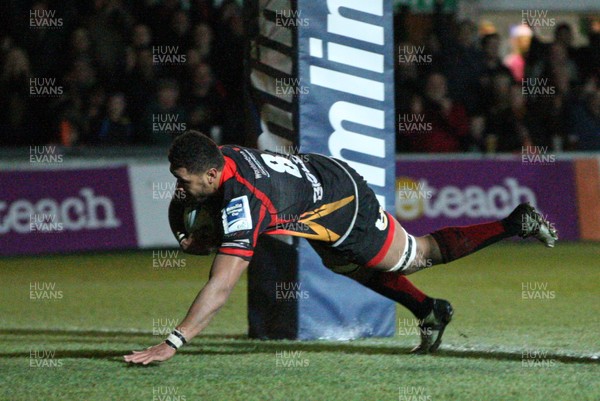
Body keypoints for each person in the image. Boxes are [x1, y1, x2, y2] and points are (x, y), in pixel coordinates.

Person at [124, 131, 558, 365]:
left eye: (184, 179)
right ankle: (430, 311)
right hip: (315, 184)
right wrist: (186, 236)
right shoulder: (220, 159)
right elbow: (185, 200)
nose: (179, 186)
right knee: (342, 267)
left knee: (417, 255)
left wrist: (173, 342)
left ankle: (514, 222)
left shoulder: (244, 201)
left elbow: (220, 287)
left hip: (341, 202)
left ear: (214, 173)